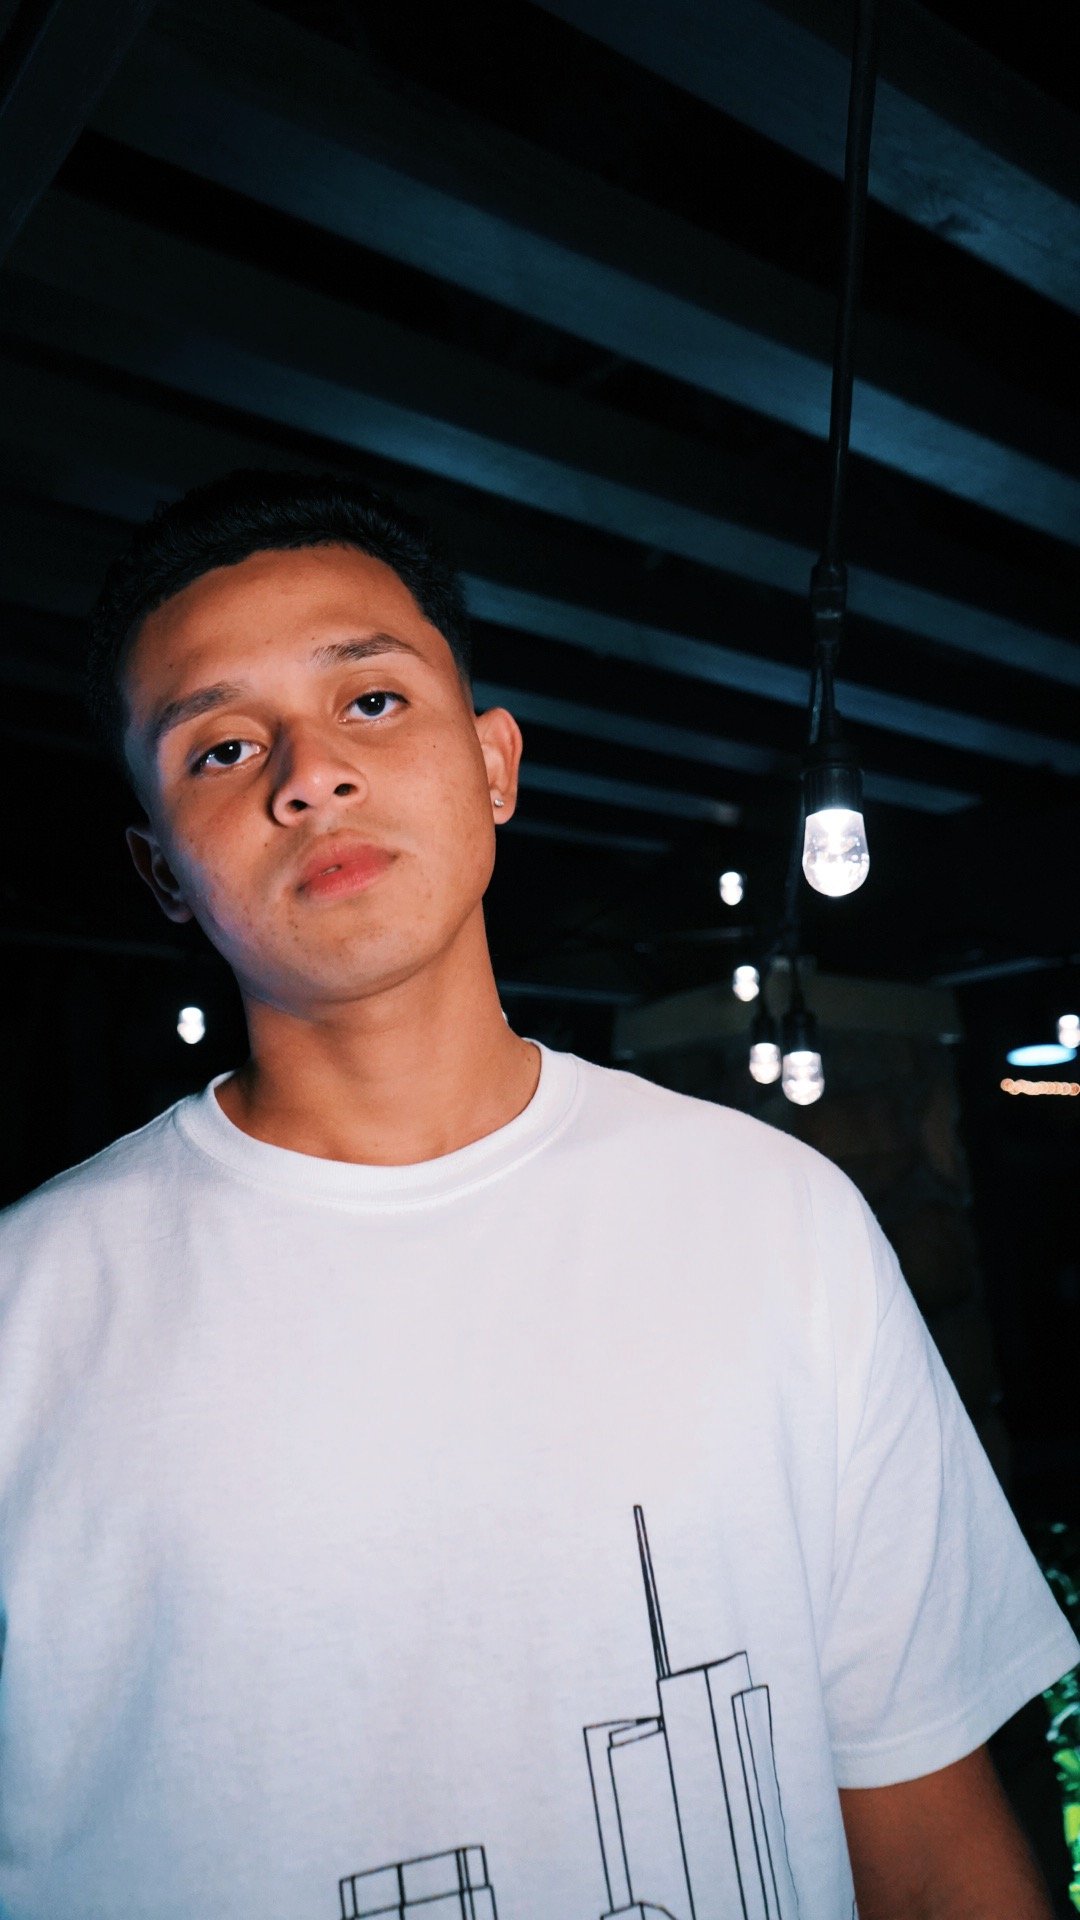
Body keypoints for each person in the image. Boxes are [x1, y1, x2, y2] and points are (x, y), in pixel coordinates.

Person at [0, 470, 1075, 1920]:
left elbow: (934, 1842)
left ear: (494, 764)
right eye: (222, 747)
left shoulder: (778, 1221)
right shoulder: (27, 1309)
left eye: (369, 702)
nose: (306, 775)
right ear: (163, 875)